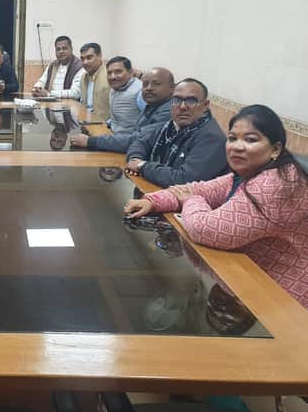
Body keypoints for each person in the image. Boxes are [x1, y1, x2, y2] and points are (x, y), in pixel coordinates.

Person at [125, 105, 308, 309]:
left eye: (250, 140)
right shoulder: (250, 171)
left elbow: (205, 229)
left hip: (282, 300)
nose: (237, 147)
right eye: (232, 138)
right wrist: (153, 201)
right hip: (246, 277)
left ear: (275, 149)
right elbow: (200, 188)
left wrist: (190, 201)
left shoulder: (273, 184)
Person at [125, 78, 227, 187]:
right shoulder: (171, 126)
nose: (182, 107)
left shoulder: (212, 138)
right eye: (177, 100)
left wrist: (142, 166)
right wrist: (135, 159)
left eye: (191, 101)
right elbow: (140, 142)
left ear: (205, 105)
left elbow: (184, 180)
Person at [70, 67, 174, 152]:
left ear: (172, 88)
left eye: (156, 83)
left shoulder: (169, 110)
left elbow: (139, 139)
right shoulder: (153, 104)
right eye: (145, 84)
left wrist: (91, 141)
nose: (149, 88)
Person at [105, 56, 143, 134]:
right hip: (113, 134)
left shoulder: (140, 92)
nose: (112, 77)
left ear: (130, 72)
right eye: (109, 73)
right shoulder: (114, 89)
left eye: (118, 72)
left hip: (131, 139)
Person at [79, 43, 110, 119]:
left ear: (99, 56)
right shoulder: (83, 77)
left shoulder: (110, 75)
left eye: (89, 58)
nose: (85, 62)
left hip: (104, 123)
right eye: (82, 59)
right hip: (86, 121)